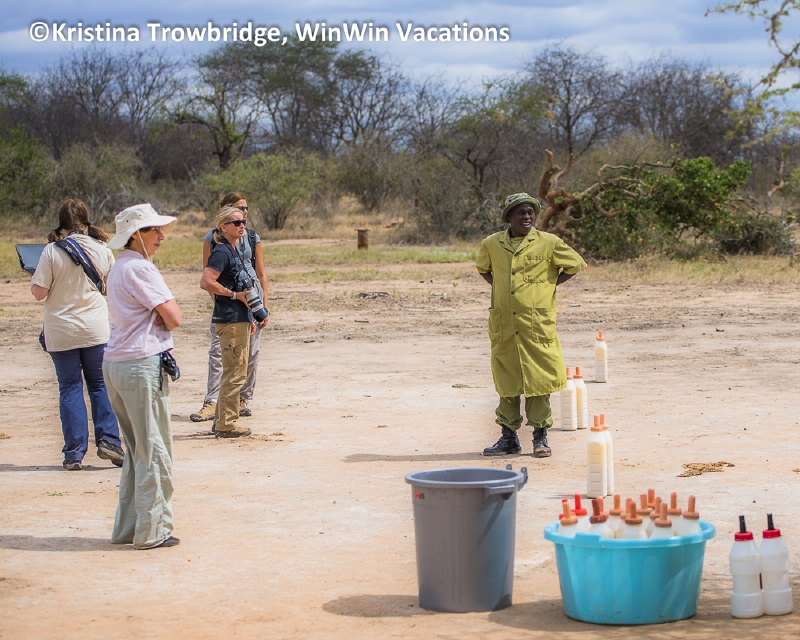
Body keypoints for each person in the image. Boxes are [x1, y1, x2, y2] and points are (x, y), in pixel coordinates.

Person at [477, 193, 586, 458]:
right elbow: (484, 269)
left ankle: (540, 437)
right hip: (504, 326)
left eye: (530, 212)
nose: (527, 217)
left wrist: (549, 285)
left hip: (536, 326)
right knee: (507, 381)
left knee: (538, 381)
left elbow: (574, 264)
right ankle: (508, 438)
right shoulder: (492, 244)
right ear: (509, 217)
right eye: (521, 213)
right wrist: (501, 288)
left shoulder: (549, 242)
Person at [103, 203, 182, 550]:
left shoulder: (119, 267)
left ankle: (129, 527)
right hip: (140, 363)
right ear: (136, 235)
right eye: (154, 230)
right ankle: (153, 530)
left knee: (137, 450)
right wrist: (162, 316)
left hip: (117, 363)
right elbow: (174, 316)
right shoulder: (140, 268)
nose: (161, 236)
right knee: (154, 448)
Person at [29, 198, 123, 471]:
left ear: (61, 225)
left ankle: (74, 453)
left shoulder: (51, 251)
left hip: (62, 331)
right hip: (95, 329)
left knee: (70, 388)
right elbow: (110, 289)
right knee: (100, 385)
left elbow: (39, 293)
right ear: (86, 221)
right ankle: (109, 441)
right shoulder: (103, 249)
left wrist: (34, 275)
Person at [190, 192, 268, 422]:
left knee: (250, 351)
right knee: (219, 349)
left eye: (245, 210)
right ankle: (212, 401)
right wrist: (223, 300)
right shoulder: (214, 241)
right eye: (238, 210)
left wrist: (263, 305)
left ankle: (241, 399)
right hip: (228, 296)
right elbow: (208, 277)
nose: (244, 215)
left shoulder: (251, 237)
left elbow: (261, 273)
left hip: (251, 292)